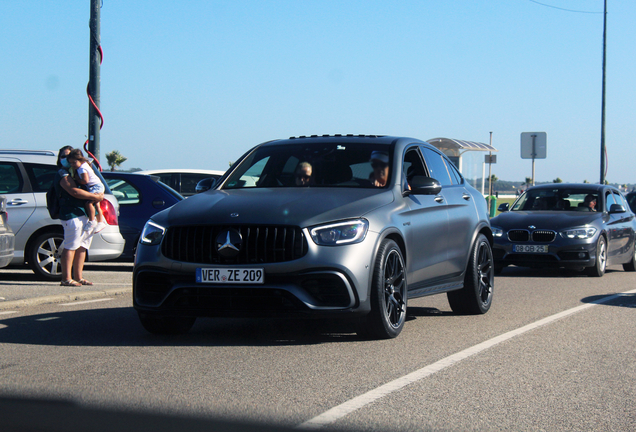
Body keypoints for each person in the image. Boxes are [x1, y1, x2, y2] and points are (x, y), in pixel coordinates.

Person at [55, 146, 105, 286]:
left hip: (84, 213)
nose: (67, 159)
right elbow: (74, 192)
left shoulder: (80, 169)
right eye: (64, 156)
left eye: (70, 156)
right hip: (71, 214)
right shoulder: (62, 174)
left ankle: (78, 276)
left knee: (82, 246)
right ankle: (66, 278)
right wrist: (97, 196)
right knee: (71, 245)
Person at [66, 148, 107, 233]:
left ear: (80, 160)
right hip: (98, 185)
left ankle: (92, 221)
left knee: (89, 203)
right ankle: (100, 222)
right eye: (70, 163)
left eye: (74, 162)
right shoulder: (85, 164)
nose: (72, 165)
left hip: (95, 187)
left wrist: (76, 180)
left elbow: (85, 180)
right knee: (96, 204)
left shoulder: (82, 168)